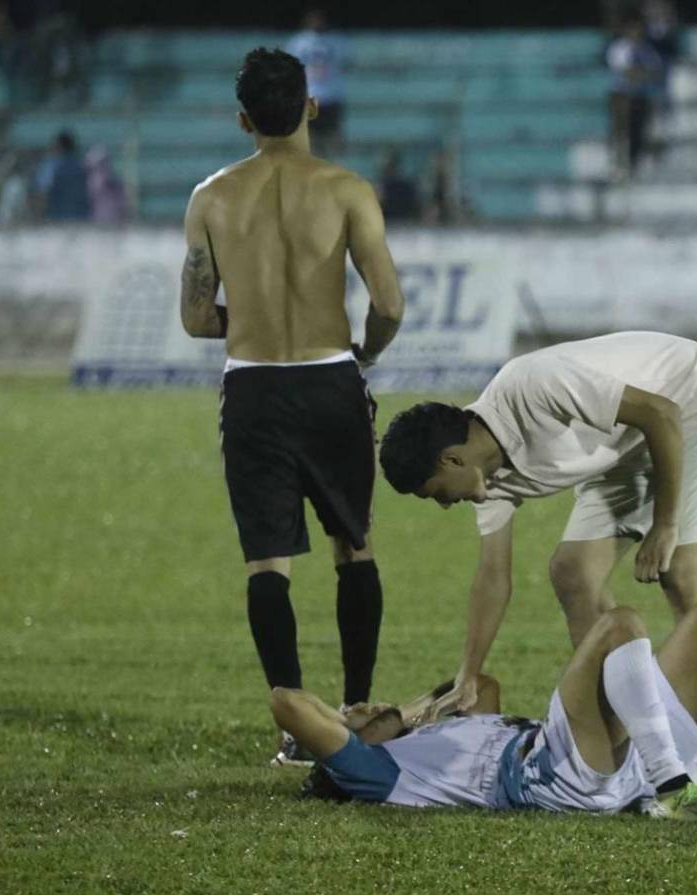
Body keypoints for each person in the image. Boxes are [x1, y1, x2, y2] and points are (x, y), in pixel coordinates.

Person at [179, 48, 405, 766]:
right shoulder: (347, 190)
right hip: (330, 381)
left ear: (243, 119)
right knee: (354, 546)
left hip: (253, 388)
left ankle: (298, 728)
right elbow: (389, 305)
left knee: (266, 564)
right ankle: (357, 709)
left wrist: (248, 317)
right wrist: (365, 351)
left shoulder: (210, 197)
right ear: (311, 106)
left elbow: (195, 317)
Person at [378, 332, 697, 718]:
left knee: (680, 570)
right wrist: (468, 675)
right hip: (628, 443)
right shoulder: (489, 480)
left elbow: (660, 412)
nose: (445, 504)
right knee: (573, 572)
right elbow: (493, 576)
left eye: (437, 493)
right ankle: (629, 731)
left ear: (451, 460)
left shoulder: (532, 386)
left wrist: (665, 525)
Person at [272, 600, 697, 818]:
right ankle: (675, 789)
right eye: (354, 713)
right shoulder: (376, 772)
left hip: (610, 758)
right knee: (618, 626)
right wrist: (368, 725)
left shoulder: (418, 742)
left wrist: (413, 710)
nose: (362, 705)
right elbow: (286, 703)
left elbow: (484, 688)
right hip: (552, 775)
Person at [286, 8, 348, 159]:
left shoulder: (336, 41)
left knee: (332, 135)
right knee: (311, 137)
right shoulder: (299, 42)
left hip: (331, 95)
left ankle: (333, 164)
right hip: (309, 95)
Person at [606, 12, 661, 178]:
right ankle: (618, 155)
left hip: (641, 96)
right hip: (622, 95)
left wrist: (638, 74)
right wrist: (640, 74)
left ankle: (635, 158)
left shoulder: (648, 50)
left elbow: (653, 73)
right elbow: (626, 72)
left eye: (638, 28)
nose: (635, 32)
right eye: (632, 29)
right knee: (622, 110)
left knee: (642, 117)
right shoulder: (618, 48)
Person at [34, 130, 89, 221]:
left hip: (55, 216)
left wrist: (38, 215)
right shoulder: (81, 166)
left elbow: (43, 191)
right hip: (80, 216)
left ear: (58, 146)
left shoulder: (52, 165)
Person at [85, 145, 128, 224]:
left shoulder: (116, 181)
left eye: (103, 164)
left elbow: (123, 204)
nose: (101, 168)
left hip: (114, 221)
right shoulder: (90, 182)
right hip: (96, 222)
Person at [377, 149, 420, 222]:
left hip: (403, 222)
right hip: (391, 221)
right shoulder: (380, 186)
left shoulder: (405, 187)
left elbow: (414, 209)